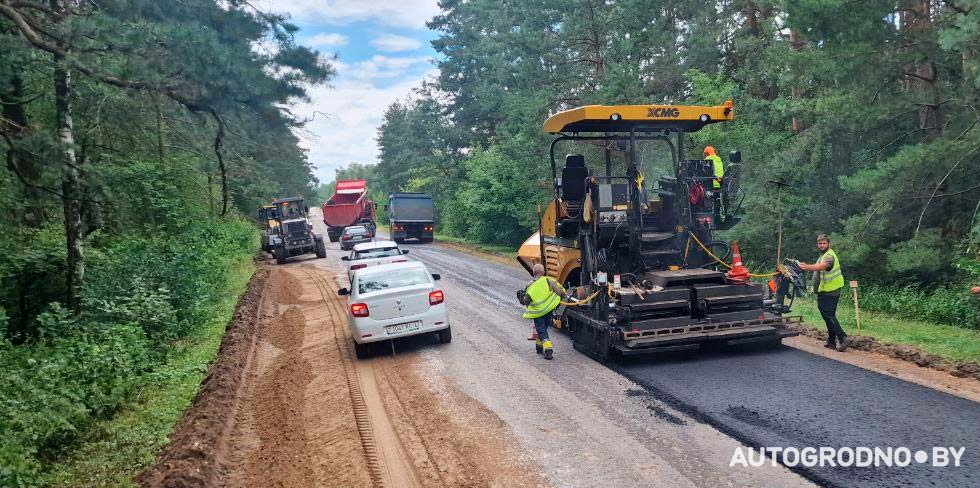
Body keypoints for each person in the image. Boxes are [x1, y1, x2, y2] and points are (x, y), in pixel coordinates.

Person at [797, 234, 852, 351]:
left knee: (828, 315)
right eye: (820, 243)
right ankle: (831, 341)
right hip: (829, 289)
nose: (821, 245)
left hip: (830, 291)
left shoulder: (829, 256)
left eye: (824, 243)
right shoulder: (824, 255)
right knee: (830, 315)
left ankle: (843, 338)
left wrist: (807, 267)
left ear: (829, 244)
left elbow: (823, 266)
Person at [519, 264, 568, 360]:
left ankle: (548, 349)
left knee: (541, 329)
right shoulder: (549, 280)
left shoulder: (530, 284)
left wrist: (525, 303)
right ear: (544, 272)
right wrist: (563, 300)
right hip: (548, 310)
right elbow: (560, 292)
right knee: (543, 328)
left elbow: (526, 299)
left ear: (533, 273)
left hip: (537, 312)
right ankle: (539, 347)